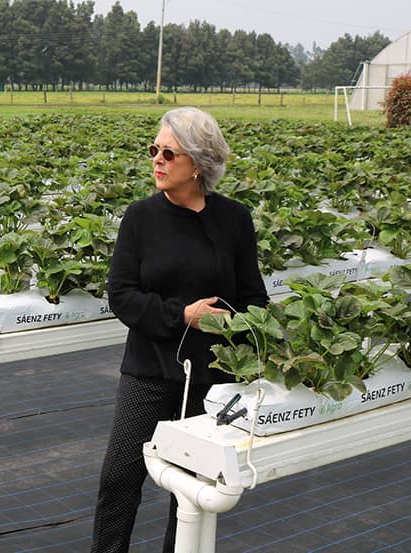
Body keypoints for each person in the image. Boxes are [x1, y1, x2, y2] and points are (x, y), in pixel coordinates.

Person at [90, 107, 268, 553]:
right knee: (120, 476)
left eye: (169, 152)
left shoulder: (233, 220)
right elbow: (122, 295)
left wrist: (233, 324)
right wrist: (181, 316)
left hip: (210, 376)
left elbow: (255, 299)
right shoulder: (140, 218)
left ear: (199, 163)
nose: (157, 160)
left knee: (189, 488)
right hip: (149, 369)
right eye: (154, 149)